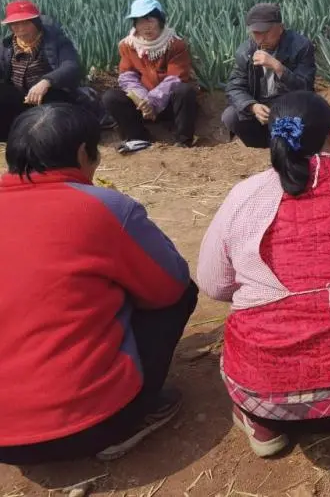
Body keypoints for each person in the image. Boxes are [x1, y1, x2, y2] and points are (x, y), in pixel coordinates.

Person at [197, 91, 330, 459]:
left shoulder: (245, 196)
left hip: (263, 393)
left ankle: (263, 426)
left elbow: (213, 284)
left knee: (248, 338)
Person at [0, 104, 197, 465]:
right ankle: (136, 412)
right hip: (85, 426)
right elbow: (171, 284)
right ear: (82, 153)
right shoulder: (105, 207)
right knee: (181, 291)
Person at [102, 0, 199, 153]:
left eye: (150, 20)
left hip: (168, 104)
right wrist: (142, 99)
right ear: (135, 24)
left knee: (184, 91)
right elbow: (127, 76)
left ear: (160, 21)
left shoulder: (175, 44)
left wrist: (152, 101)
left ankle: (183, 140)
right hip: (142, 106)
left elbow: (175, 78)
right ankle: (138, 137)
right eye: (140, 22)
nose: (146, 27)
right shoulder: (128, 45)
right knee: (110, 97)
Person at [223, 3, 316, 148]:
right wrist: (252, 106)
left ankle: (287, 147)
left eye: (265, 33)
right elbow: (234, 87)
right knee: (231, 116)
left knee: (300, 115)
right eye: (255, 33)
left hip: (288, 105)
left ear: (280, 28)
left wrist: (278, 67)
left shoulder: (301, 46)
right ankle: (260, 148)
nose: (260, 39)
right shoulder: (245, 51)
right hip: (261, 107)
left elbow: (305, 88)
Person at [0, 0, 83, 142]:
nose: (20, 28)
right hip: (20, 97)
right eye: (15, 24)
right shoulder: (6, 45)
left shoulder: (57, 41)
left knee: (51, 112)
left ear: (36, 22)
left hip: (50, 96)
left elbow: (71, 66)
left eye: (26, 23)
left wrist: (46, 82)